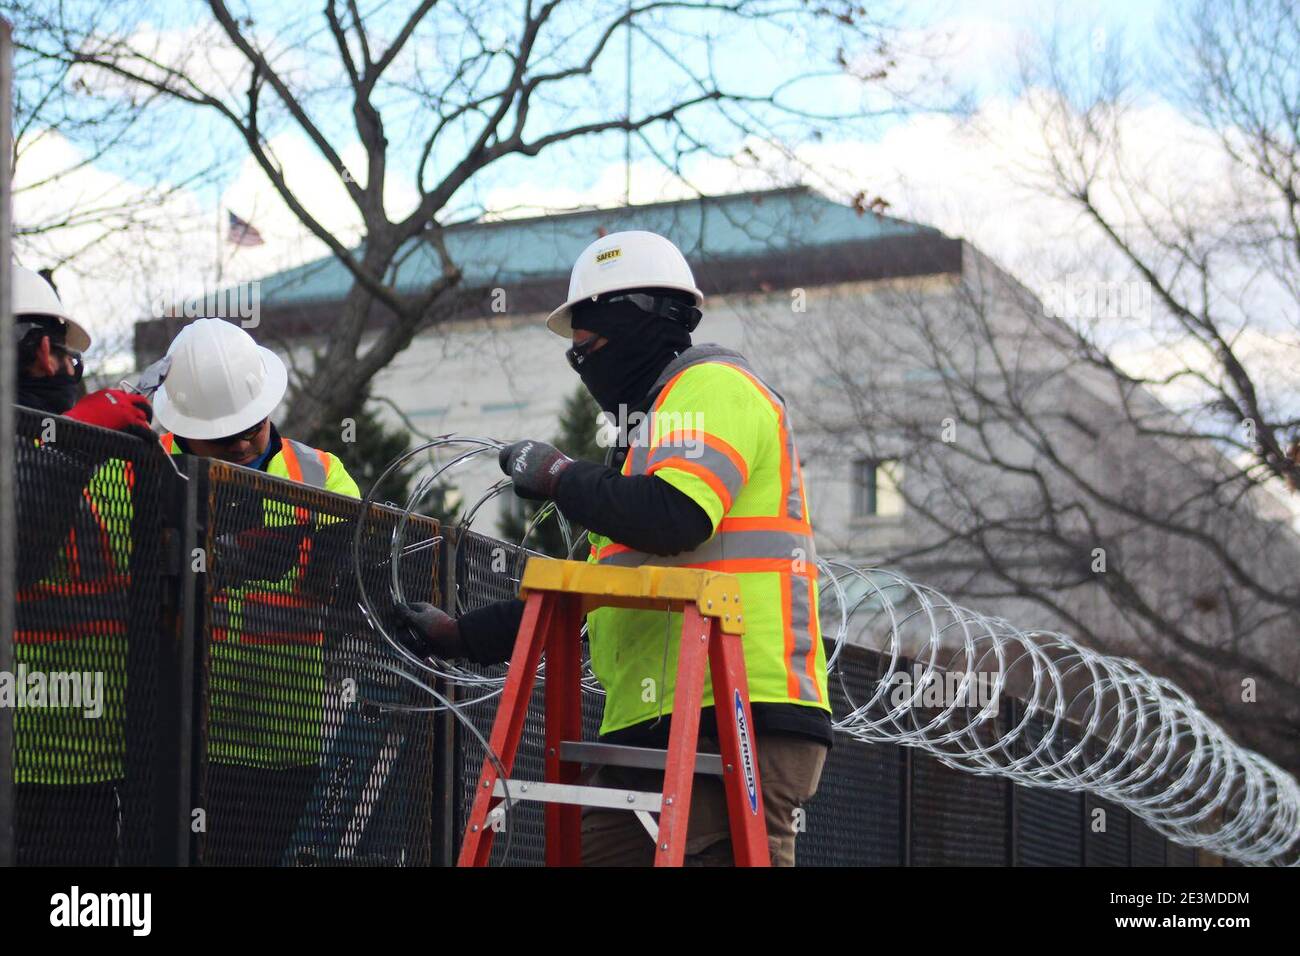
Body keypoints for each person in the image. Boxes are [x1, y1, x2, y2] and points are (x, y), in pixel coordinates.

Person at [399, 230, 832, 866]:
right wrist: (465, 636)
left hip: (740, 711)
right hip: (654, 725)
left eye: (593, 347)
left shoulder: (713, 389)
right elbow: (597, 593)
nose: (585, 366)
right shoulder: (645, 443)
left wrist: (559, 477)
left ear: (644, 322)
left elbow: (677, 517)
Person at [151, 318, 359, 865]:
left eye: (254, 425)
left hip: (286, 744)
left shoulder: (321, 475)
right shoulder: (145, 472)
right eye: (224, 435)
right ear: (185, 426)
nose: (243, 442)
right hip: (181, 738)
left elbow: (348, 583)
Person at [11, 263, 154, 865]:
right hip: (95, 768)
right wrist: (74, 441)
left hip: (91, 771)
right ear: (47, 352)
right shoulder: (109, 457)